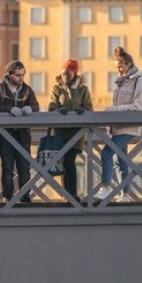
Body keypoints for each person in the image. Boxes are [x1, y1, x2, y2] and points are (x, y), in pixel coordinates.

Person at [94, 46, 142, 203]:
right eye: (116, 67)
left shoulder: (140, 80)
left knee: (106, 153)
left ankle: (105, 188)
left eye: (120, 66)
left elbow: (139, 106)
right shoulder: (122, 82)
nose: (118, 70)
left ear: (129, 65)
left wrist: (113, 110)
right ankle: (125, 195)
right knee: (120, 160)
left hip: (130, 126)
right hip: (118, 127)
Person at [0, 60, 40, 203]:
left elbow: (35, 106)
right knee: (7, 167)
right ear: (9, 74)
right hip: (5, 135)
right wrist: (10, 109)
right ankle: (8, 197)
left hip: (23, 135)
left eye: (23, 75)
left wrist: (30, 109)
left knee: (24, 167)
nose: (21, 78)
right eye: (18, 75)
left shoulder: (27, 89)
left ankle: (25, 196)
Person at [48, 59, 93, 201]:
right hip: (60, 131)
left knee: (70, 160)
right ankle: (66, 195)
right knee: (62, 161)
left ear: (74, 74)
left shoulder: (83, 90)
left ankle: (72, 193)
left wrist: (82, 111)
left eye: (68, 73)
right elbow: (51, 106)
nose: (65, 76)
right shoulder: (57, 88)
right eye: (63, 74)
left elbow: (89, 108)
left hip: (76, 132)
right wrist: (58, 109)